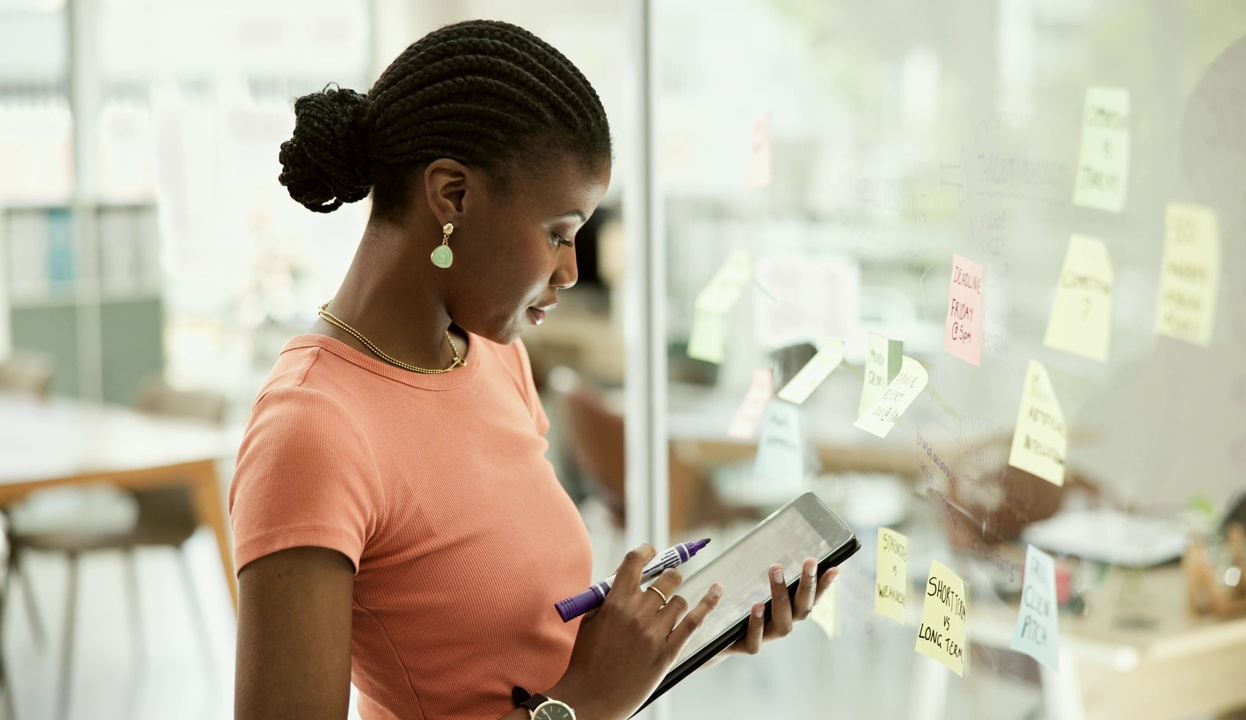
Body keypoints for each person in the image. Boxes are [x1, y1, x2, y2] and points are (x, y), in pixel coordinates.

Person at [231, 19, 838, 720]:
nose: (572, 270)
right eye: (558, 233)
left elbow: (510, 657)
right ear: (451, 196)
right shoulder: (312, 431)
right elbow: (562, 700)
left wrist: (650, 644)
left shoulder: (495, 359)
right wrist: (581, 701)